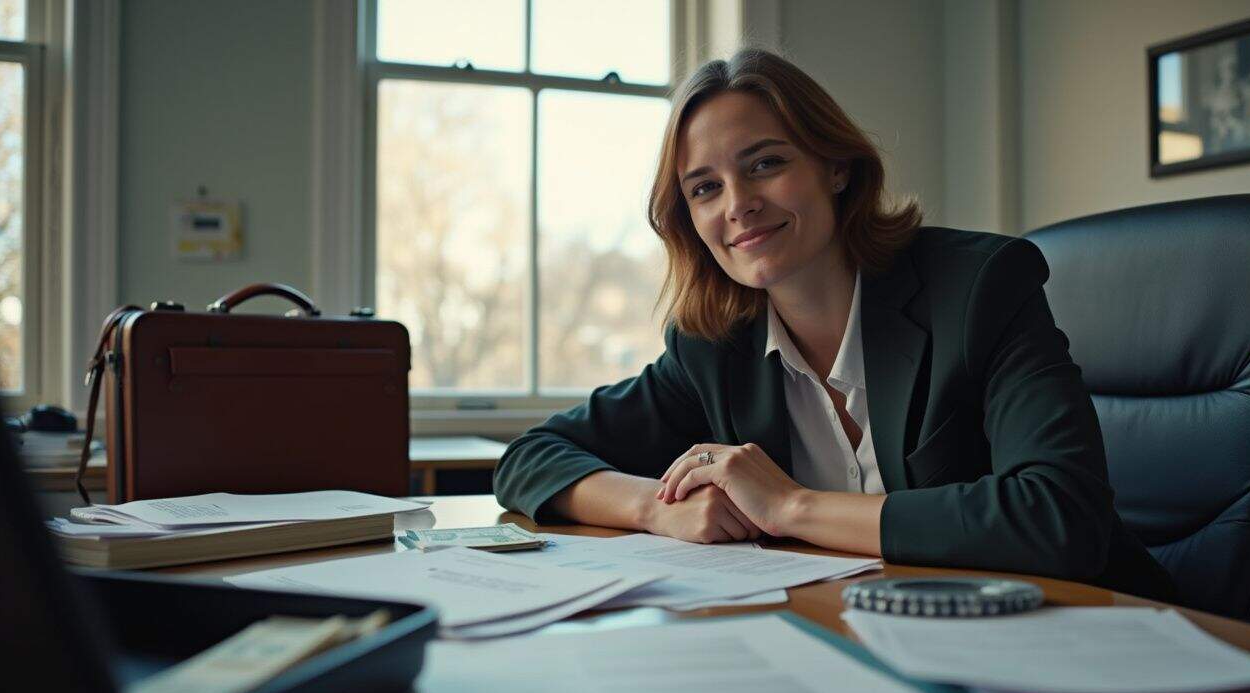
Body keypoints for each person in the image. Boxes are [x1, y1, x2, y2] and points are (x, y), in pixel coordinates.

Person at [494, 48, 1175, 600]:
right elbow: (530, 458)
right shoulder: (713, 346)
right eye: (705, 187)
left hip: (1080, 634)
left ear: (837, 167)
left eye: (766, 164)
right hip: (866, 634)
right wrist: (653, 508)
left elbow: (1060, 517)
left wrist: (791, 508)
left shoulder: (978, 287)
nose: (738, 205)